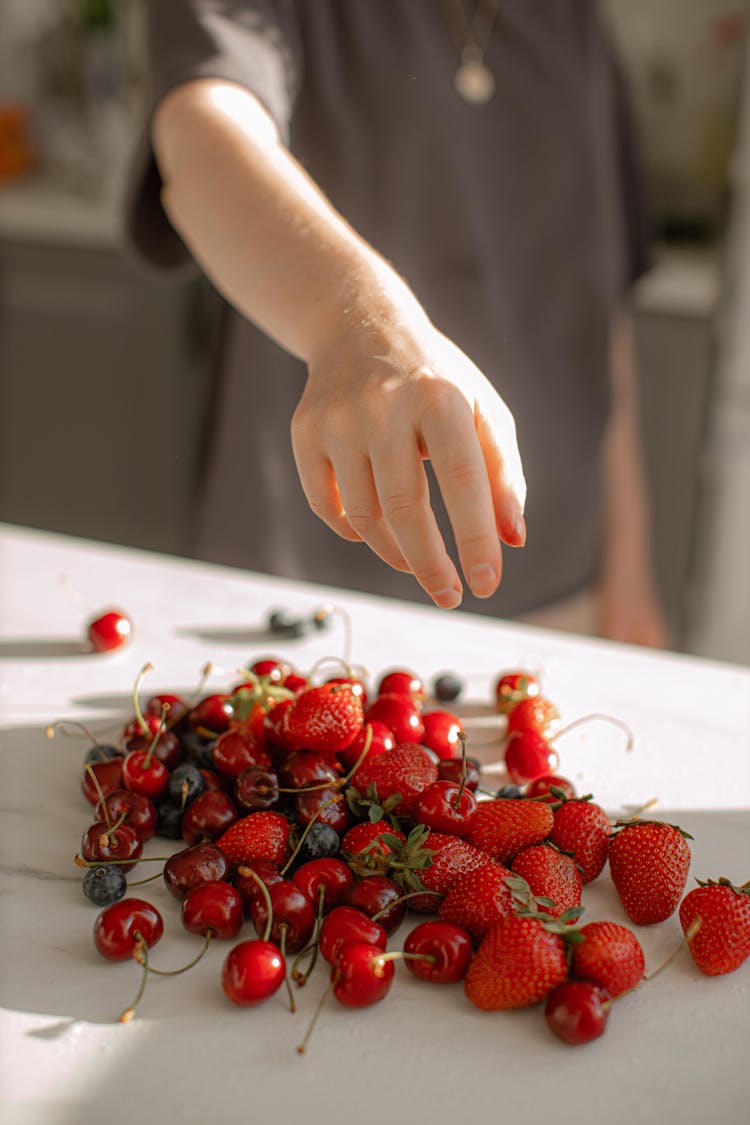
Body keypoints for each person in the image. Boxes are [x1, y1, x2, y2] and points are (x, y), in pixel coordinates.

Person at [125, 0, 668, 646]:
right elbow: (203, 130)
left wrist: (629, 575)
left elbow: (596, 302)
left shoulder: (572, 18)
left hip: (558, 593)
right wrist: (358, 320)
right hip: (300, 588)